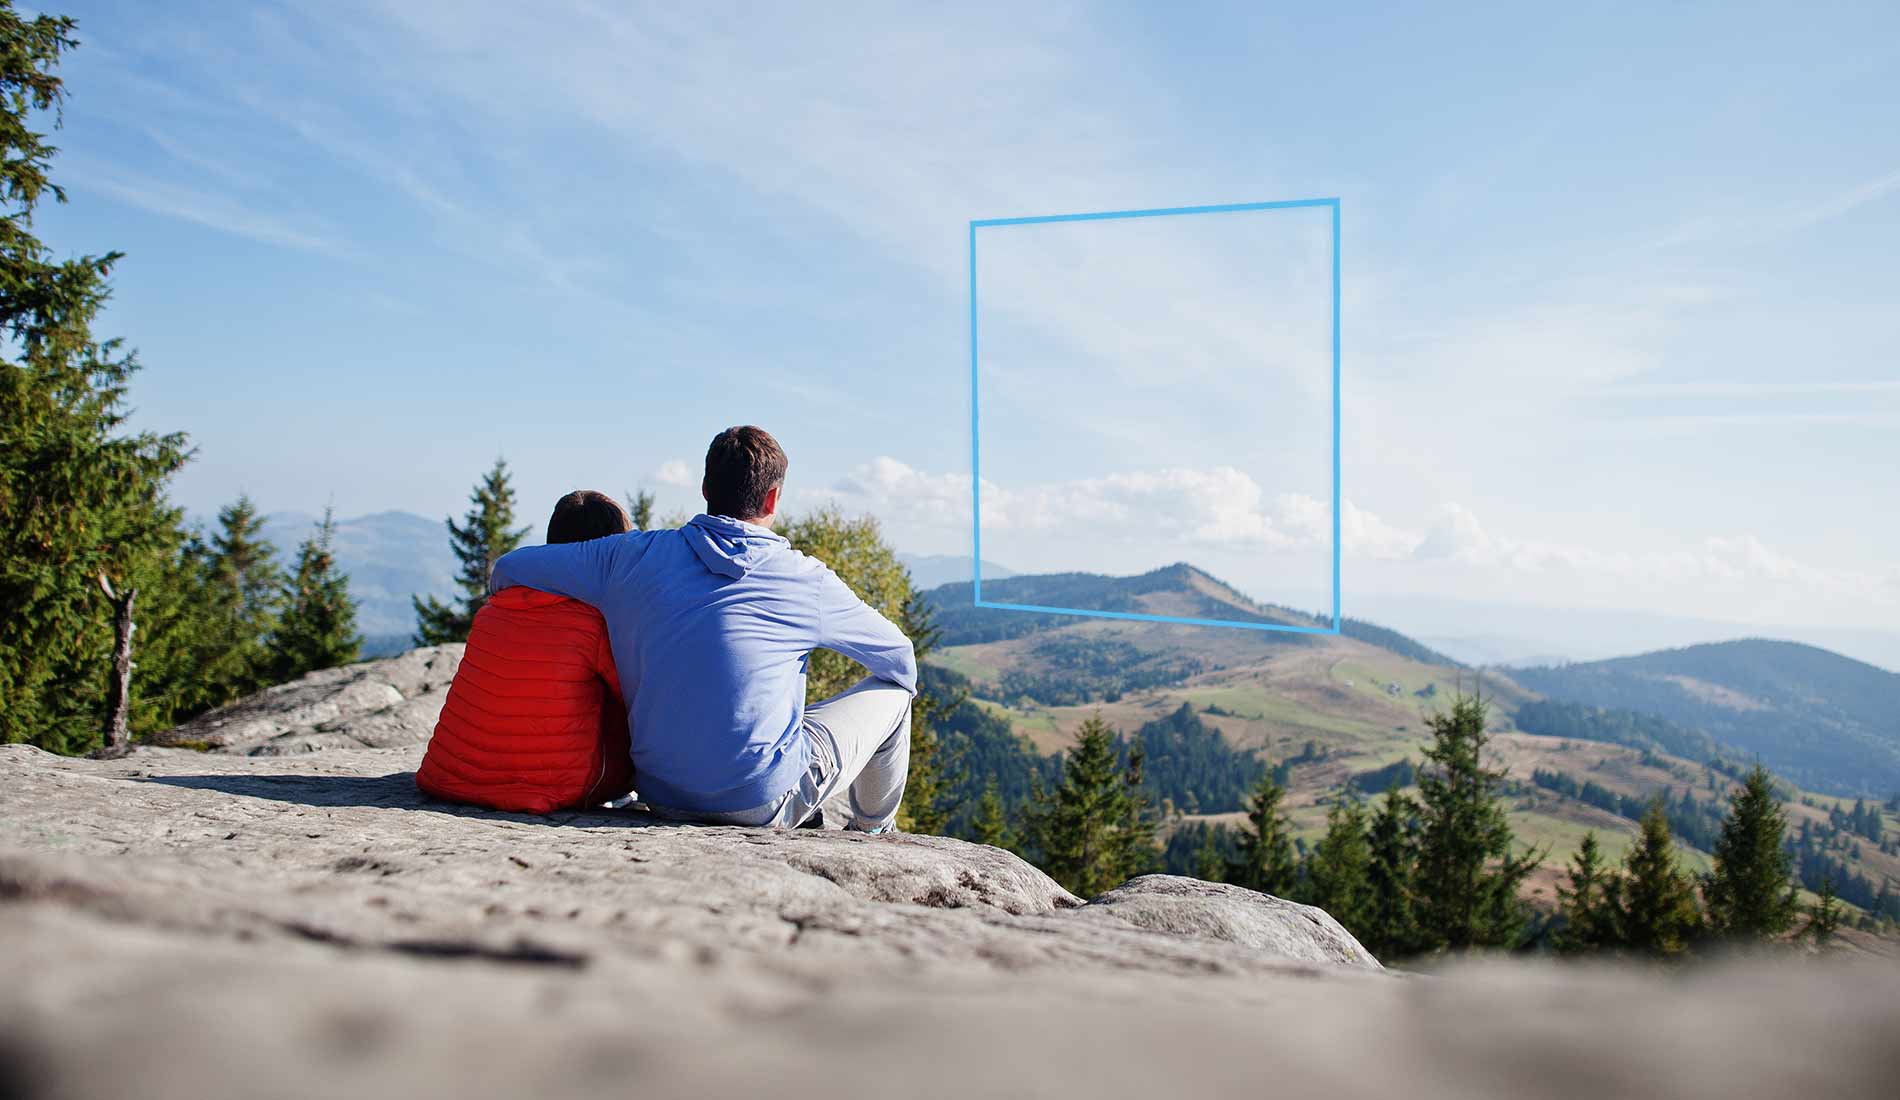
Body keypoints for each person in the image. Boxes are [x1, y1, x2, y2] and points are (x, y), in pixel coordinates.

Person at [488, 425, 916, 832]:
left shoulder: (631, 556)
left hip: (660, 793)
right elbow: (900, 658)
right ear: (772, 499)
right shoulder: (806, 580)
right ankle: (871, 828)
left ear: (706, 489)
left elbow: (509, 567)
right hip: (762, 803)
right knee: (896, 694)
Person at [415, 490, 636, 814]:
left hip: (449, 776)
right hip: (559, 787)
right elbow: (637, 700)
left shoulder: (493, 610)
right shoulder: (594, 623)